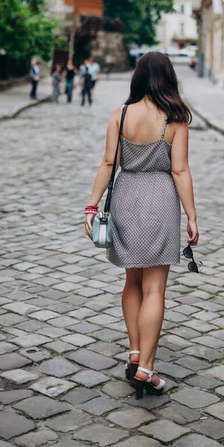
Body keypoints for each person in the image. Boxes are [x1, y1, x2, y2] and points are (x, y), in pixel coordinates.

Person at [84, 52, 199, 400]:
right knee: (155, 290)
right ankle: (147, 368)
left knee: (132, 281)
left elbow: (108, 162)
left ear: (137, 78)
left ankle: (135, 353)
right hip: (160, 199)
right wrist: (192, 214)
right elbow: (180, 170)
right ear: (168, 79)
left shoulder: (120, 116)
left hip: (126, 196)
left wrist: (91, 205)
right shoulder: (175, 118)